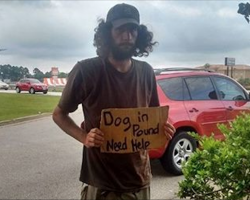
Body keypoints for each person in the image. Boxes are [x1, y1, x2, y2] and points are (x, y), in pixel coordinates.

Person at [52, 3, 175, 200]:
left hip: (140, 182)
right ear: (108, 33)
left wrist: (164, 129)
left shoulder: (146, 72)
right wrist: (84, 137)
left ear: (139, 34)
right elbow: (59, 114)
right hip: (102, 185)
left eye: (132, 30)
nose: (127, 36)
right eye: (120, 30)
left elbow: (152, 119)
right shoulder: (86, 71)